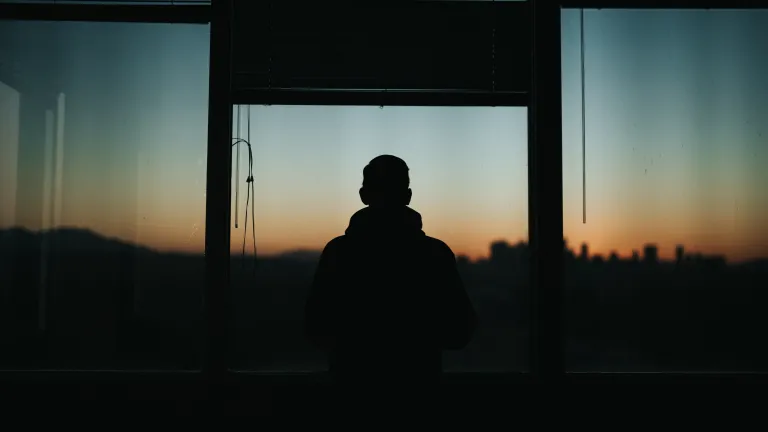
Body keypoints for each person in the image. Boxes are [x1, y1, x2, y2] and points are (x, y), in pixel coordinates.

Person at [304, 155, 476, 410]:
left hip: (351, 391)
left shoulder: (339, 253)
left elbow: (316, 328)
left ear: (363, 194)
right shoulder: (434, 254)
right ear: (407, 196)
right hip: (419, 391)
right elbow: (460, 331)